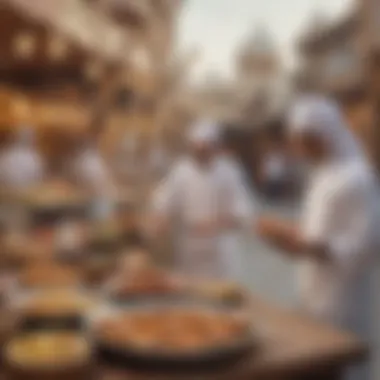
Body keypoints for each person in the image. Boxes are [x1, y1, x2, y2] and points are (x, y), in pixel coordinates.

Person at [256, 95, 379, 380]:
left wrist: (305, 247)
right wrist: (286, 234)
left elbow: (368, 244)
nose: (300, 149)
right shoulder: (323, 175)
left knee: (342, 366)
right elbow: (318, 232)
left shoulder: (357, 178)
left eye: (305, 141)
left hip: (343, 298)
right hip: (313, 291)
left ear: (325, 135)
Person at [152, 119, 255, 281]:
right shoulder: (181, 170)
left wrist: (214, 225)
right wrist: (161, 220)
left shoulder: (230, 171)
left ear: (216, 147)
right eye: (197, 149)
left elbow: (243, 214)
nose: (200, 153)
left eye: (205, 149)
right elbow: (163, 201)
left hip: (219, 254)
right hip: (189, 251)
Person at [0, 126, 44, 190]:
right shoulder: (6, 155)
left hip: (23, 192)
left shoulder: (34, 156)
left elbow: (38, 177)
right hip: (13, 192)